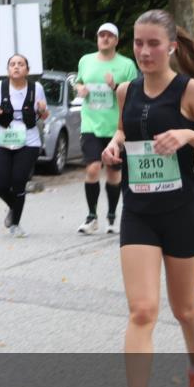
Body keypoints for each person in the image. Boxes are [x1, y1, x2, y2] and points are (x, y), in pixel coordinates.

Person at [101, 9, 194, 387]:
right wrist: (114, 145)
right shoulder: (126, 90)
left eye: (153, 43)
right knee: (142, 310)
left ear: (172, 45)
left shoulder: (189, 90)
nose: (144, 51)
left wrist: (188, 136)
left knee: (184, 310)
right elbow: (123, 130)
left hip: (182, 211)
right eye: (138, 43)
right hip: (139, 210)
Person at [75, 23, 138, 235]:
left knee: (113, 173)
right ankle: (91, 217)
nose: (105, 38)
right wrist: (80, 89)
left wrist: (114, 86)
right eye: (101, 35)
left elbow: (134, 94)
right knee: (92, 168)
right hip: (91, 124)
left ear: (116, 40)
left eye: (109, 36)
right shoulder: (85, 60)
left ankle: (112, 216)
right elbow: (78, 81)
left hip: (116, 128)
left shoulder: (127, 64)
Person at [0, 53, 48, 238]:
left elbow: (44, 114)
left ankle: (16, 223)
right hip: (2, 138)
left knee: (19, 181)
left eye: (20, 64)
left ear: (27, 69)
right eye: (12, 64)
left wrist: (42, 109)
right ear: (8, 69)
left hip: (28, 140)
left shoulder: (36, 88)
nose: (16, 67)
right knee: (0, 184)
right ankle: (14, 206)